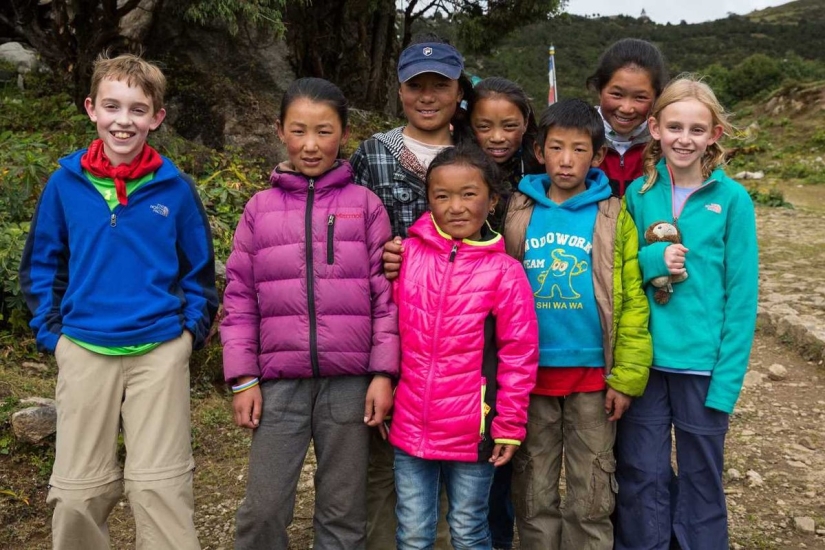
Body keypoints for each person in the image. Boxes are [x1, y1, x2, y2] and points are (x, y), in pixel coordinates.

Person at [19, 53, 218, 550]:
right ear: (92, 109)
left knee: (160, 485)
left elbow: (199, 272)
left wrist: (187, 334)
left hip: (158, 352)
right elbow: (43, 265)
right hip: (84, 348)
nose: (123, 120)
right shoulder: (66, 185)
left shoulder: (175, 189)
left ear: (157, 117)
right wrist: (54, 335)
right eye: (112, 106)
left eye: (136, 109)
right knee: (76, 493)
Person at [221, 77, 400, 549]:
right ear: (280, 131)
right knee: (262, 511)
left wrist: (383, 372)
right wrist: (242, 378)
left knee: (343, 515)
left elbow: (386, 299)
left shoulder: (365, 206)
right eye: (299, 131)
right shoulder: (259, 209)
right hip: (278, 383)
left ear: (343, 135)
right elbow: (238, 298)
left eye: (324, 131)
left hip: (350, 384)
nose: (311, 144)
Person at [615, 76, 759, 550]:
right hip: (647, 366)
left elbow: (741, 296)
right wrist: (655, 261)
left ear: (714, 135)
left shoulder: (733, 200)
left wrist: (728, 378)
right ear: (654, 128)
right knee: (642, 472)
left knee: (702, 477)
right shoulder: (638, 194)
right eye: (674, 126)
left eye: (697, 129)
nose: (684, 138)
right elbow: (621, 271)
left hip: (704, 368)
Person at [503, 98, 652, 549]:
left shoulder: (612, 213)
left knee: (591, 493)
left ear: (598, 155)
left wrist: (626, 376)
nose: (566, 160)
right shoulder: (517, 209)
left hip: (592, 379)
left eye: (579, 149)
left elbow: (631, 301)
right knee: (533, 492)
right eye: (556, 148)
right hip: (530, 378)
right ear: (539, 150)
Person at [349, 33, 473, 549]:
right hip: (386, 328)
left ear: (457, 91)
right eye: (415, 85)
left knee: (448, 457)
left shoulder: (472, 154)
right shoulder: (373, 154)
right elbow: (345, 231)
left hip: (457, 338)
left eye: (439, 85)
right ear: (399, 91)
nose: (427, 96)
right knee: (381, 455)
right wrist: (379, 258)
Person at [390, 143, 539, 550]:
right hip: (411, 424)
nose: (455, 206)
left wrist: (509, 426)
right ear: (429, 200)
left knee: (469, 529)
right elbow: (387, 330)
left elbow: (519, 355)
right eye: (442, 196)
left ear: (492, 200)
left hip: (473, 430)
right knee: (414, 533)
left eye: (468, 194)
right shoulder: (408, 255)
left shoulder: (505, 272)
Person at [467, 75, 544, 550]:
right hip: (465, 328)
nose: (496, 136)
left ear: (527, 127)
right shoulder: (459, 171)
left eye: (509, 126)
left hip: (520, 324)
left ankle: (499, 536)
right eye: (484, 125)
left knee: (505, 437)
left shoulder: (538, 178)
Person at [586, 38, 668, 197]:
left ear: (657, 97)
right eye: (616, 94)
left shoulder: (666, 146)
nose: (626, 108)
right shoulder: (578, 138)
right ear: (599, 89)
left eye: (640, 98)